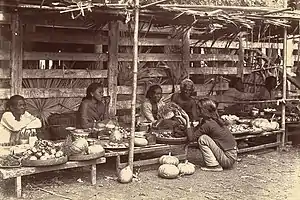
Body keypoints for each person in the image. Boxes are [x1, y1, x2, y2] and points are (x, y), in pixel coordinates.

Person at [186, 98, 237, 172]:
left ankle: (214, 166)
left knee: (203, 138)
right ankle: (215, 163)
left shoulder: (208, 124)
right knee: (204, 137)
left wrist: (187, 121)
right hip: (231, 156)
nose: (196, 110)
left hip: (228, 159)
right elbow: (194, 130)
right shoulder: (211, 120)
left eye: (198, 108)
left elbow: (191, 138)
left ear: (203, 111)